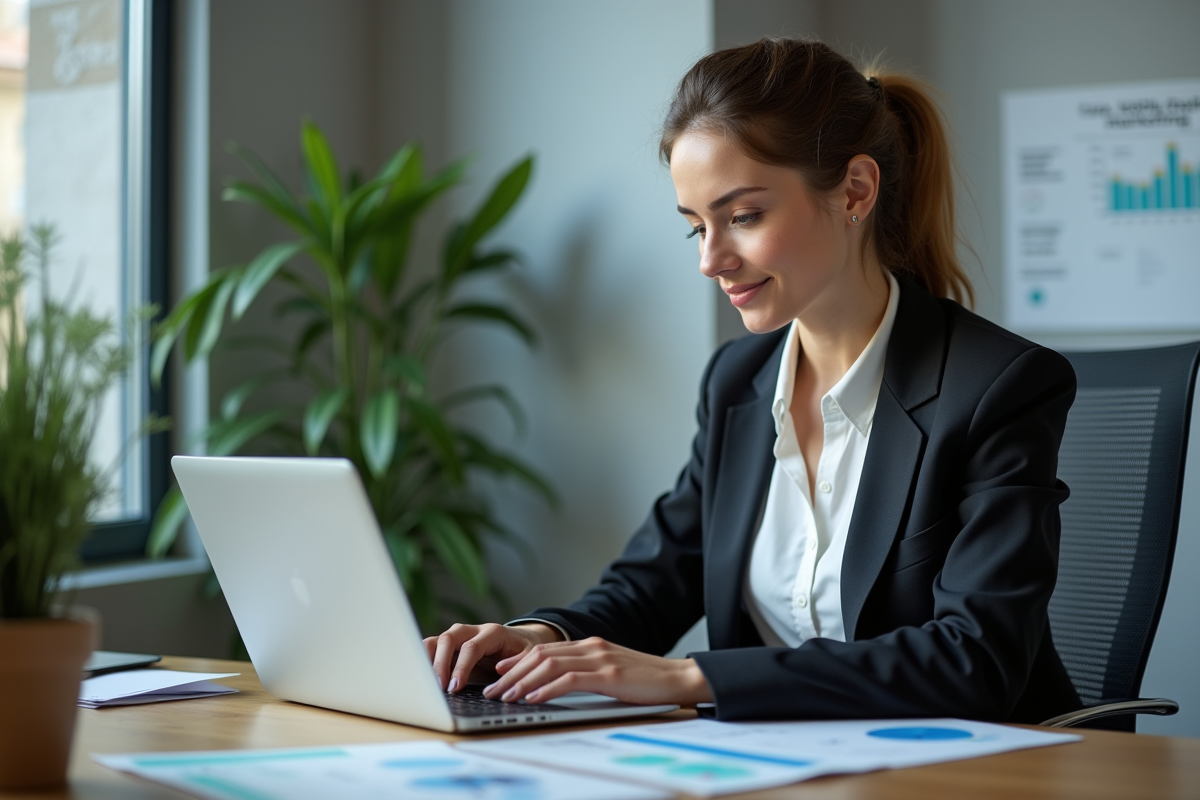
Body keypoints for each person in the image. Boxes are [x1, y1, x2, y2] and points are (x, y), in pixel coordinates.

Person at [424, 37, 1081, 723]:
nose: (711, 259)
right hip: (786, 768)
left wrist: (691, 678)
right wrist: (535, 640)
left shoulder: (997, 388)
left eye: (743, 217)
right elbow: (653, 582)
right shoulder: (737, 383)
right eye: (695, 228)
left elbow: (974, 661)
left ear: (854, 190)